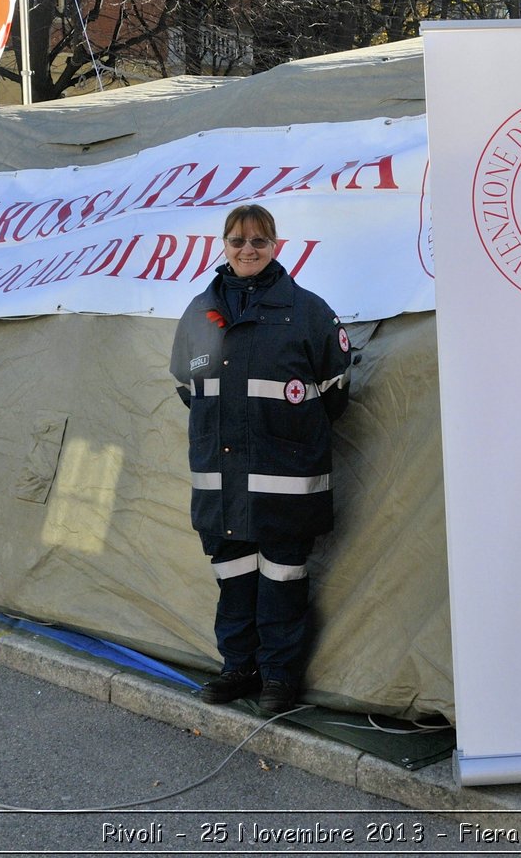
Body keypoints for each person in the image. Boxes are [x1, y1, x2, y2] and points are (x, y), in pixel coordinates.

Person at [170, 204, 352, 714]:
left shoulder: (308, 312)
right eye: (237, 241)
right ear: (223, 246)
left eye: (259, 241)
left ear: (276, 246)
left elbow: (336, 393)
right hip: (222, 482)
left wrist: (285, 439)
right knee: (233, 579)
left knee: (282, 583)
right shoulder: (200, 312)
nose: (247, 250)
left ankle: (278, 677)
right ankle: (239, 669)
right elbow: (188, 386)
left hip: (286, 483)